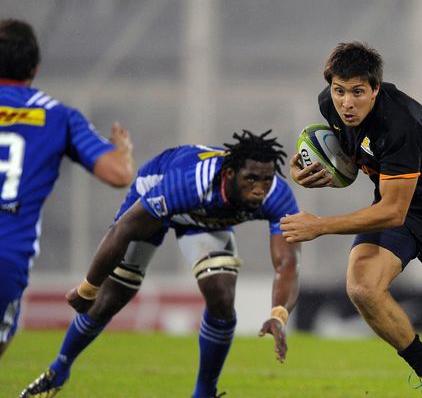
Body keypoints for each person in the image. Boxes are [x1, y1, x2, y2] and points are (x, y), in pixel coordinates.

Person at [280, 42, 422, 398]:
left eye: (357, 92)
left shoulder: (401, 124)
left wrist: (320, 225)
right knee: (362, 287)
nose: (346, 102)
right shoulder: (330, 106)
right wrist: (309, 173)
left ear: (375, 89)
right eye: (339, 90)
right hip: (397, 207)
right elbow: (356, 160)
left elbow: (393, 211)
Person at [20, 130, 301, 398]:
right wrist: (87, 287)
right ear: (229, 174)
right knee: (111, 298)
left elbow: (287, 262)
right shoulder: (189, 182)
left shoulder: (276, 195)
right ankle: (59, 369)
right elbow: (124, 230)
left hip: (206, 220)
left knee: (222, 296)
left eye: (265, 180)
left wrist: (278, 314)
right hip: (156, 199)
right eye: (251, 179)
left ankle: (203, 393)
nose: (259, 190)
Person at [0, 18, 134, 361]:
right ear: (35, 67)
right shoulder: (58, 117)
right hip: (7, 256)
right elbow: (119, 174)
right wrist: (123, 151)